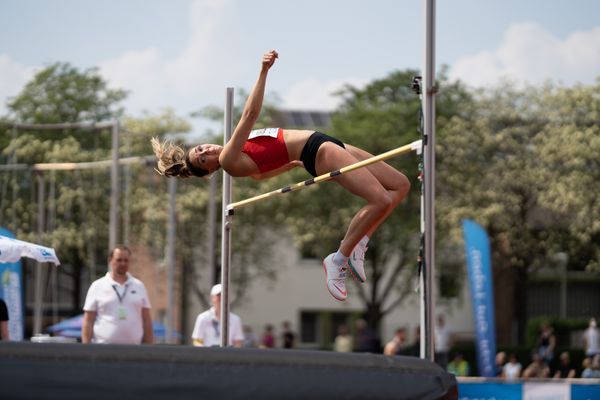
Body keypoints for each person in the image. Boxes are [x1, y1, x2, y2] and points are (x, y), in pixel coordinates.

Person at [151, 50, 410, 302]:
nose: (206, 151)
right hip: (317, 149)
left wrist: (295, 165)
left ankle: (359, 243)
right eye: (203, 159)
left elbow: (260, 175)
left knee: (400, 185)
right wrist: (263, 72)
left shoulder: (236, 154)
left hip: (322, 143)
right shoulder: (228, 158)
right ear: (209, 171)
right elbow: (250, 114)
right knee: (380, 200)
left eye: (200, 149)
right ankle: (339, 259)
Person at [82, 246, 154, 344]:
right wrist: (86, 349)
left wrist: (149, 350)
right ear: (110, 260)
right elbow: (88, 321)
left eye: (126, 260)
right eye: (119, 260)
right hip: (103, 349)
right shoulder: (97, 286)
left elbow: (147, 321)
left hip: (134, 349)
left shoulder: (139, 286)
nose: (123, 263)